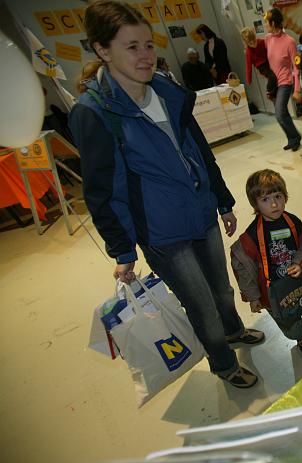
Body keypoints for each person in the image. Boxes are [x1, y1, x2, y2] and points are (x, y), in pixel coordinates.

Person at [69, 1, 264, 389]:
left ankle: (233, 330)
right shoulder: (94, 112)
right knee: (201, 305)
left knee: (222, 290)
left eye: (148, 44)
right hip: (163, 233)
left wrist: (222, 199)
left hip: (202, 212)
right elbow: (103, 192)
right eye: (131, 47)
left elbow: (199, 150)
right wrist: (122, 250)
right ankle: (224, 363)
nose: (145, 55)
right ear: (102, 50)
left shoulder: (167, 90)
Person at [230, 170, 302, 355]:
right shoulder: (251, 237)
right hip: (276, 293)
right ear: (255, 203)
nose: (274, 204)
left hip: (301, 283)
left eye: (278, 197)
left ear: (285, 196)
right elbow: (243, 269)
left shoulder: (292, 221)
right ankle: (301, 337)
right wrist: (254, 297)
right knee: (291, 323)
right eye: (265, 199)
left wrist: (299, 262)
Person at [264, 8, 302, 151]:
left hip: (285, 82)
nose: (265, 25)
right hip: (274, 83)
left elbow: (296, 67)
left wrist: (297, 90)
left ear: (273, 23)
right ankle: (292, 139)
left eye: (266, 22)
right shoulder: (268, 39)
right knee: (282, 114)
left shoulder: (290, 41)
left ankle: (295, 137)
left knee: (280, 114)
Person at [240, 27, 278, 101]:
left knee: (276, 79)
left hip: (268, 61)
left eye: (254, 41)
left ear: (255, 37)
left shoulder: (261, 42)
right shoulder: (248, 52)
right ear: (246, 43)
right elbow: (248, 67)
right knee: (273, 77)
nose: (253, 44)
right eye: (250, 43)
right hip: (261, 66)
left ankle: (273, 94)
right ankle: (269, 91)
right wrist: (249, 80)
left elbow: (269, 49)